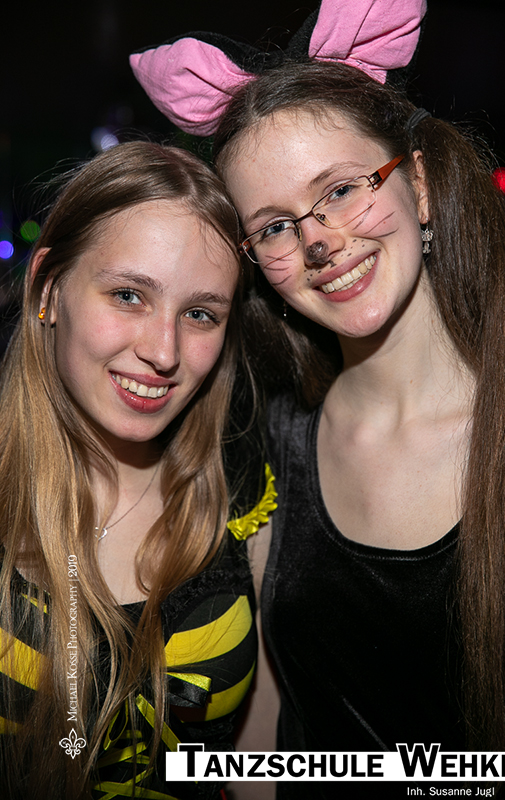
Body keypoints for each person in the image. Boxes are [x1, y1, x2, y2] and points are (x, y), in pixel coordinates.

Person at [130, 2, 505, 797]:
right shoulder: (268, 438)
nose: (317, 239)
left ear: (419, 185)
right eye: (274, 227)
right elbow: (263, 724)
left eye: (342, 189)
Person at [0, 141, 276, 800]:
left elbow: (257, 756)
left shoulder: (244, 498)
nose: (164, 351)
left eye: (200, 313)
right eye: (128, 295)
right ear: (48, 288)